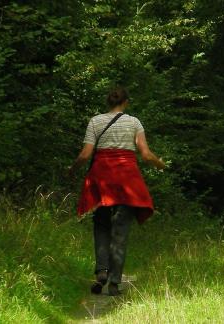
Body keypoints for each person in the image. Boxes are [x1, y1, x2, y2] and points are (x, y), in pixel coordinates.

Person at [68, 87, 166, 296]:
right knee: (120, 231)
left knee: (101, 225)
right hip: (126, 180)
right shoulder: (134, 122)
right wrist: (161, 165)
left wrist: (72, 169)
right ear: (126, 103)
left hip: (102, 180)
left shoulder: (95, 121)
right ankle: (113, 283)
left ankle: (102, 271)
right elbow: (146, 155)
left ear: (108, 102)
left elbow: (85, 155)